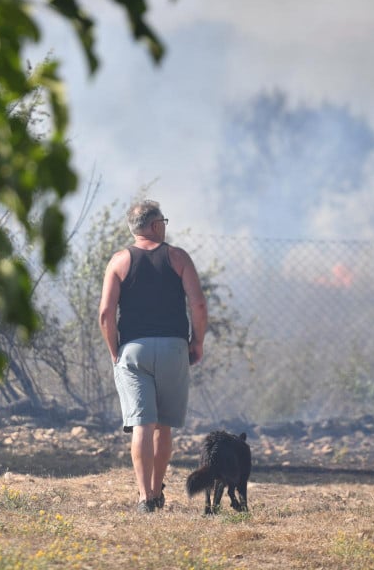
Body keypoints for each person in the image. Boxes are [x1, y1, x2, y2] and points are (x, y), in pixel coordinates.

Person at [98, 199, 208, 514]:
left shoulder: (119, 261)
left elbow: (106, 313)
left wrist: (114, 350)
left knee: (141, 424)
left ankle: (146, 498)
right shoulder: (177, 258)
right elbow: (198, 305)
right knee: (163, 426)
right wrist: (196, 342)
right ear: (156, 225)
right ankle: (159, 492)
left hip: (134, 350)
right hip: (174, 348)